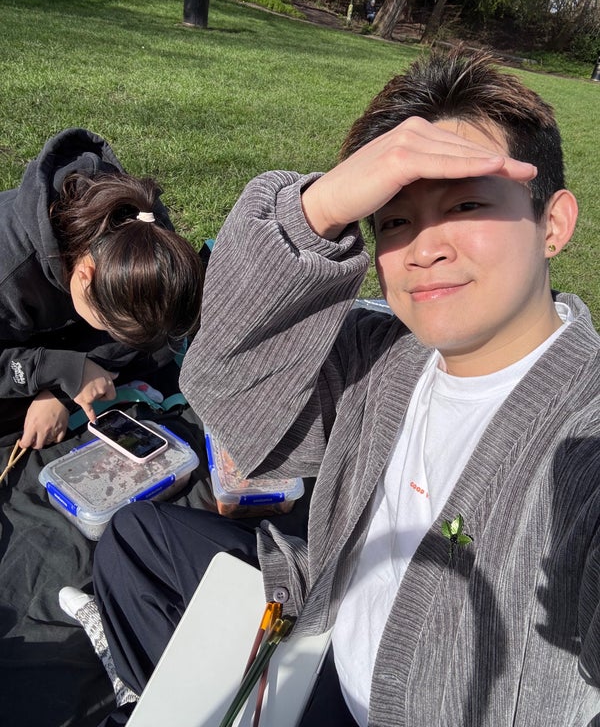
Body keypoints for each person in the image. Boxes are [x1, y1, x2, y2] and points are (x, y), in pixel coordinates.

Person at [84, 49, 599, 726]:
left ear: (553, 224)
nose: (424, 249)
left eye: (468, 203)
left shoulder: (584, 444)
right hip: (323, 622)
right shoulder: (384, 357)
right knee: (134, 539)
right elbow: (225, 383)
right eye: (394, 220)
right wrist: (319, 207)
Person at [0, 128, 204, 450]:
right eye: (108, 324)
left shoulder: (148, 229)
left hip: (61, 318)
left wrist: (61, 391)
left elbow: (148, 330)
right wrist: (54, 371)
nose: (112, 334)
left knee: (166, 337)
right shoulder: (10, 270)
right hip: (13, 332)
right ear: (86, 275)